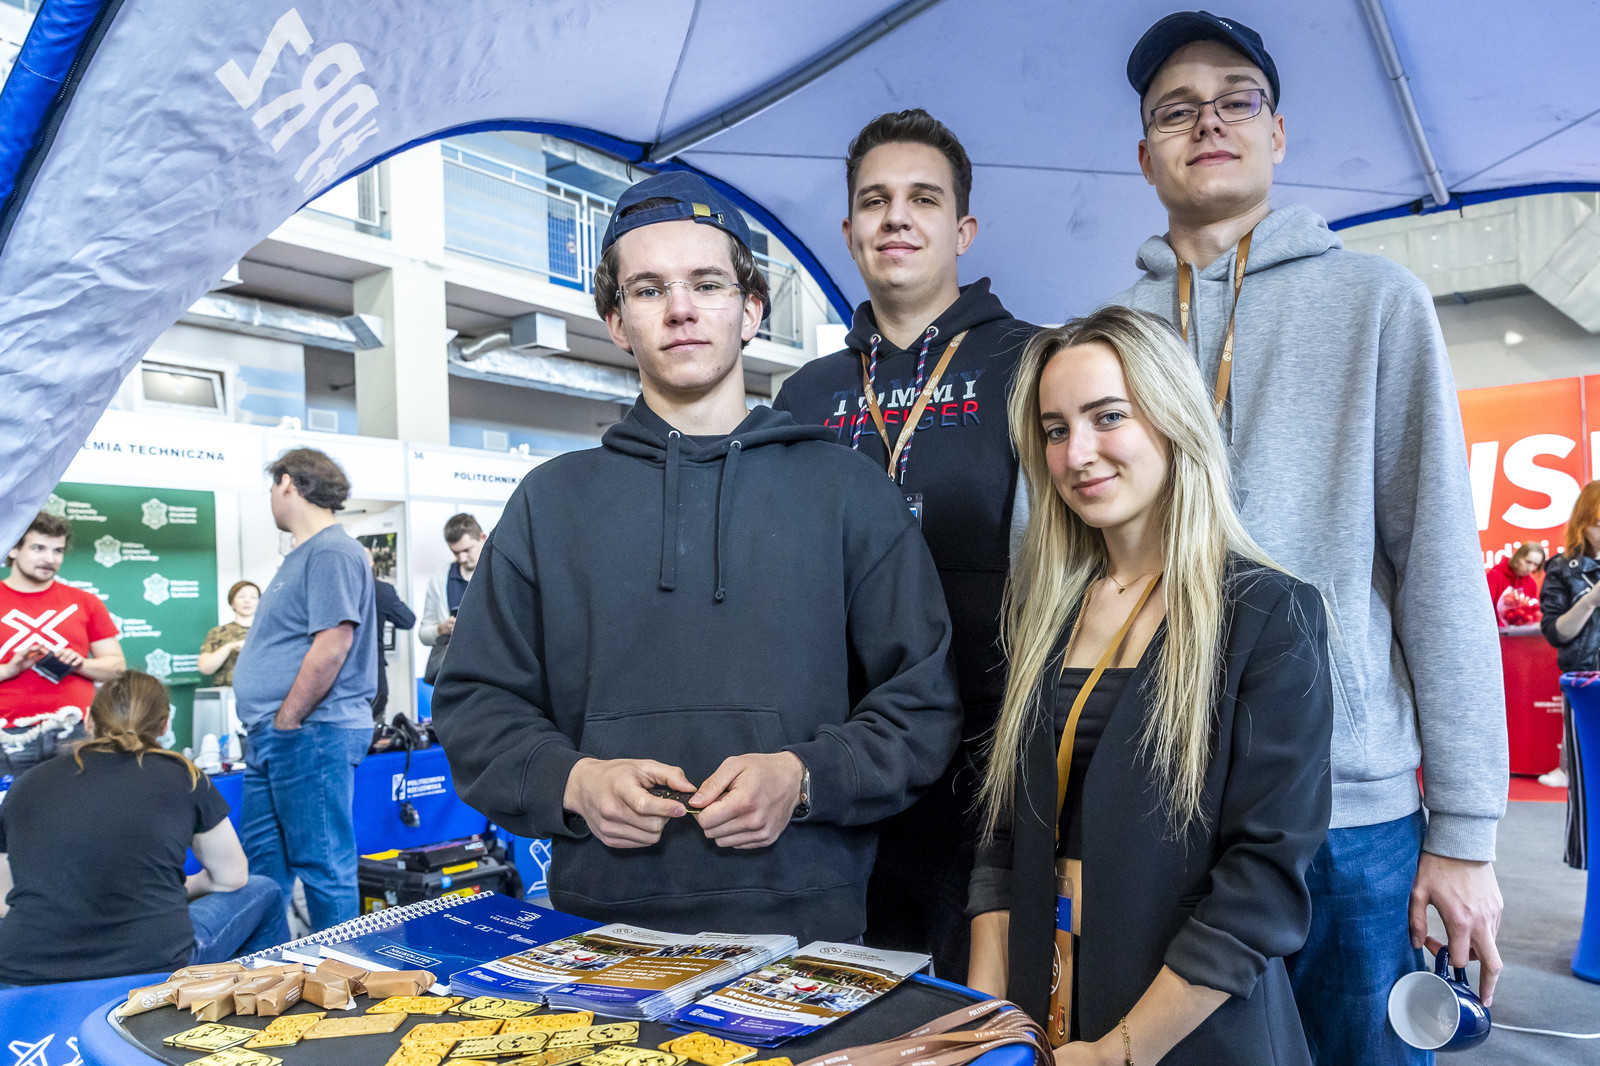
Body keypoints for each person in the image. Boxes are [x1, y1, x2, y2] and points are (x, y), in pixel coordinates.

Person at [1113, 12, 1508, 1060]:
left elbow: (1438, 565)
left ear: (1277, 133)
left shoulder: (1377, 302)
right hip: (1165, 800)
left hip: (1351, 813)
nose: (1208, 122)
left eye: (1236, 100)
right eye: (1175, 110)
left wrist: (1466, 832)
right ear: (1144, 154)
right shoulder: (1110, 334)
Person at [433, 171, 963, 944]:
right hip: (600, 934)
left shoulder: (849, 492)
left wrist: (805, 778)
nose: (680, 308)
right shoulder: (550, 502)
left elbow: (922, 705)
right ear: (617, 321)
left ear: (750, 310)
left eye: (707, 284)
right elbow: (475, 706)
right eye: (649, 290)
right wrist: (573, 781)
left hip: (811, 933)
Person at [965, 306, 1330, 1065]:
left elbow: (1260, 886)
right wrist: (989, 1029)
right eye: (1056, 429)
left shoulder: (1268, 614)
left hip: (1192, 1036)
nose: (1078, 454)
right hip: (1043, 1018)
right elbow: (1001, 850)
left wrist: (1119, 1053)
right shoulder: (1044, 611)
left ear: (1173, 420)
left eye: (1108, 417)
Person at [773, 109, 1034, 977]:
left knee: (971, 1013)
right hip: (841, 766)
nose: (897, 217)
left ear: (962, 229)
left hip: (991, 767)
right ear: (849, 231)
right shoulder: (803, 397)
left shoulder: (1037, 364)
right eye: (874, 200)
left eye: (924, 198)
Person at [0, 672, 287, 984]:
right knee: (265, 890)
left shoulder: (27, 783)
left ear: (89, 719)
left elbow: (4, 897)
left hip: (25, 967)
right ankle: (259, 999)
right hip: (151, 963)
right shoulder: (184, 776)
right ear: (165, 725)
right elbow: (232, 878)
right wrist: (182, 887)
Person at [232, 447, 376, 932]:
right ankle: (269, 973)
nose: (271, 497)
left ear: (287, 483)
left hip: (310, 730)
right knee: (263, 872)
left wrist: (288, 718)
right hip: (276, 735)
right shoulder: (305, 554)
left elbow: (333, 643)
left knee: (323, 867)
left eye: (272, 487)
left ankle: (343, 970)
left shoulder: (331, 550)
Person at [0, 511, 125, 779]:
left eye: (58, 550)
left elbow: (116, 667)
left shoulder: (86, 602)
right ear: (13, 549)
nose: (50, 559)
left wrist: (81, 664)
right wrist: (9, 669)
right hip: (7, 735)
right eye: (38, 548)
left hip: (75, 731)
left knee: (80, 806)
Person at [1538, 481, 1600, 852]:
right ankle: (1592, 873)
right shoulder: (1563, 569)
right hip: (1586, 687)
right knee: (1588, 783)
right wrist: (1590, 601)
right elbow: (1556, 632)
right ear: (1583, 524)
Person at [419, 513, 483, 686]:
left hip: (493, 674)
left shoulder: (499, 573)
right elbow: (423, 634)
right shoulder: (441, 578)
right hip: (455, 678)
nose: (462, 558)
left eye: (467, 550)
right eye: (455, 553)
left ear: (483, 538)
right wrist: (442, 629)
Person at [366, 547, 416, 721]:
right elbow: (407, 620)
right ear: (371, 563)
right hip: (373, 676)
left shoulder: (333, 591)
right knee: (374, 728)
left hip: (337, 679)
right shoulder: (382, 591)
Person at [197, 580, 260, 687]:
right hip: (227, 691)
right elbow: (205, 668)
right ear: (232, 603)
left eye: (253, 597)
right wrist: (229, 647)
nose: (247, 601)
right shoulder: (217, 633)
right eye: (241, 596)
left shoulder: (269, 632)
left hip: (261, 690)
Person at [1487, 541, 1544, 625]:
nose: (1530, 568)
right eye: (1528, 562)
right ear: (1518, 557)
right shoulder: (1494, 576)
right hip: (1495, 630)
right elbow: (1485, 609)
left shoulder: (1531, 584)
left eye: (1535, 564)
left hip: (1522, 631)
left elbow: (1531, 614)